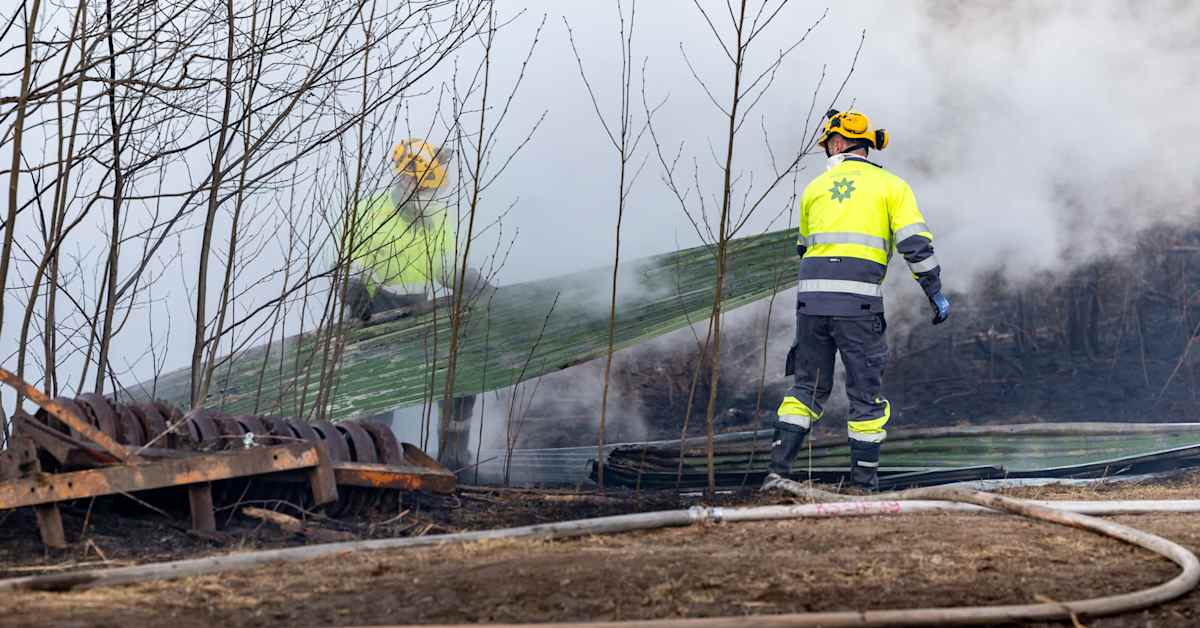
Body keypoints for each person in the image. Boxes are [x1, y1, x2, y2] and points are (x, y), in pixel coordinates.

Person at [763, 110, 951, 492]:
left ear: (836, 144)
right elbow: (915, 245)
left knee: (806, 390)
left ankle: (778, 473)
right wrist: (933, 291)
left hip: (811, 307)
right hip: (859, 308)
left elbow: (804, 248)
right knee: (865, 397)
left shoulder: (815, 189)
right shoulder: (891, 186)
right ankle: (863, 484)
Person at [340, 139, 489, 474]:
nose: (428, 199)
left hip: (420, 314)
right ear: (406, 182)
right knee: (380, 390)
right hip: (376, 313)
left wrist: (472, 281)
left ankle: (455, 462)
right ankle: (374, 462)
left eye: (431, 193)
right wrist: (354, 292)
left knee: (460, 378)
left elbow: (446, 264)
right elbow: (350, 268)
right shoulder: (370, 213)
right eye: (423, 191)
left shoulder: (438, 216)